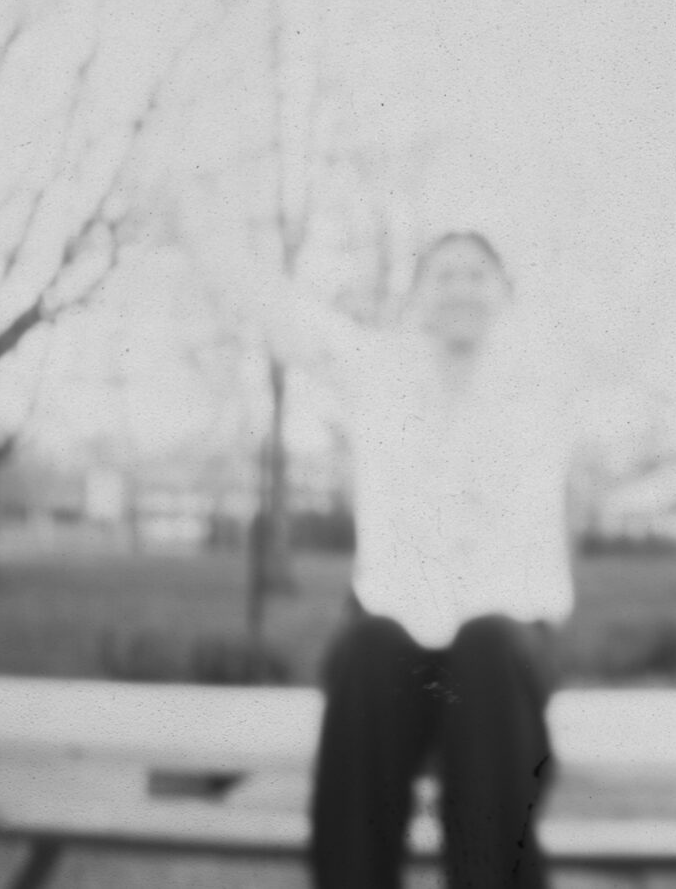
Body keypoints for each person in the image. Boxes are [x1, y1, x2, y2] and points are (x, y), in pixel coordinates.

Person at [260, 230, 577, 889]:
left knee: (488, 646)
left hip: (505, 644)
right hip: (400, 638)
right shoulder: (380, 376)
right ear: (417, 299)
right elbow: (291, 323)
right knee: (368, 646)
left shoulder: (541, 380)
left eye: (477, 273)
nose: (460, 287)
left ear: (505, 294)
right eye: (443, 274)